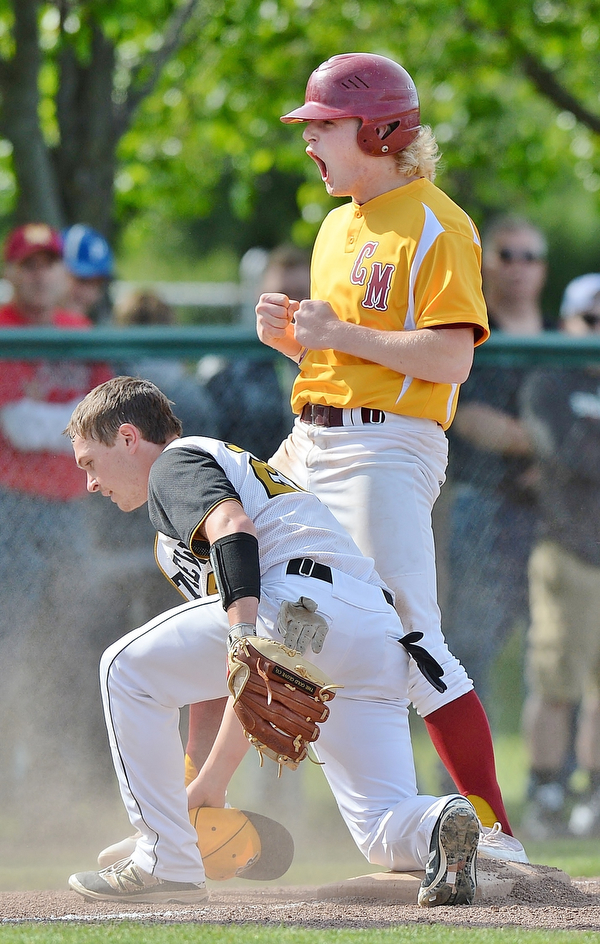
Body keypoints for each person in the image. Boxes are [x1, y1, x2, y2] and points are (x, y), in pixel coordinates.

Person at [65, 376, 479, 907]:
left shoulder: (174, 463)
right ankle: (441, 821)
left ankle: (163, 859)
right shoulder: (183, 525)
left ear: (127, 438)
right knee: (380, 828)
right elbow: (235, 681)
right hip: (372, 631)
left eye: (89, 462)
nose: (91, 483)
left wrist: (243, 633)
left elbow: (235, 530)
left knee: (123, 667)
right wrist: (207, 784)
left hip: (293, 600)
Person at [254, 52, 525, 861]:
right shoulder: (336, 224)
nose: (310, 142)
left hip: (386, 447)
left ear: (378, 129)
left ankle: (495, 836)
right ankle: (206, 811)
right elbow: (345, 357)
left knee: (411, 637)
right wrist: (299, 348)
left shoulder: (439, 221)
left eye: (324, 127)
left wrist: (335, 335)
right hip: (313, 433)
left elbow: (450, 360)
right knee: (249, 593)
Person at [0, 222, 112, 804]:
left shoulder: (78, 330)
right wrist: (72, 420)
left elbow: (105, 420)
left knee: (69, 646)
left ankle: (55, 790)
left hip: (70, 511)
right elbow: (18, 424)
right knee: (9, 645)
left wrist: (61, 422)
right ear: (12, 271)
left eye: (49, 263)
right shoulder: (4, 328)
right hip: (12, 509)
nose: (40, 273)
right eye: (29, 263)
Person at [444, 215, 550, 706]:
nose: (519, 267)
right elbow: (473, 421)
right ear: (484, 264)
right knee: (470, 648)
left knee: (556, 644)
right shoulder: (471, 330)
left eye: (530, 256)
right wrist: (561, 445)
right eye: (507, 255)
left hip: (557, 513)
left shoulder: (561, 336)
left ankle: (556, 775)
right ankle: (464, 781)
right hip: (484, 506)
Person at [519, 273, 600, 839]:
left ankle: (591, 794)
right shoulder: (549, 381)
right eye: (591, 321)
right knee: (555, 680)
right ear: (569, 322)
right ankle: (545, 790)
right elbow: (567, 452)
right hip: (566, 552)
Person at [62, 224, 114, 323]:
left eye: (98, 284)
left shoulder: (88, 329)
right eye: (82, 280)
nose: (89, 294)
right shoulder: (26, 328)